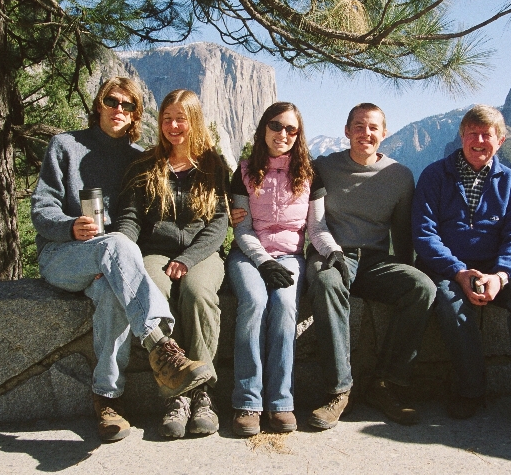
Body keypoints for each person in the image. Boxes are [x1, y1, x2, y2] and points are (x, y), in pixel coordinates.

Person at [31, 78, 212, 443]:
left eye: (128, 105)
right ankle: (162, 346)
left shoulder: (138, 159)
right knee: (113, 245)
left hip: (113, 262)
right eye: (112, 101)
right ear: (98, 104)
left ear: (135, 114)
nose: (119, 110)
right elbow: (40, 208)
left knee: (115, 292)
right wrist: (70, 226)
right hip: (64, 255)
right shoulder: (65, 146)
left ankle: (107, 400)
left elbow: (146, 218)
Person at [411, 104, 511, 434]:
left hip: (497, 269)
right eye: (472, 134)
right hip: (448, 269)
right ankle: (471, 391)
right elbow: (424, 232)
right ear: (461, 137)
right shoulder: (435, 176)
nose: (479, 141)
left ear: (501, 140)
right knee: (451, 303)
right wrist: (457, 270)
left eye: (487, 135)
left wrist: (502, 274)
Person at [305, 103, 436, 428]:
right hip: (331, 255)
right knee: (325, 282)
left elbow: (402, 234)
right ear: (347, 131)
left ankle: (386, 385)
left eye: (373, 127)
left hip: (375, 261)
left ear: (384, 133)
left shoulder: (399, 176)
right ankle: (339, 391)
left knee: (422, 287)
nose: (366, 133)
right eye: (359, 127)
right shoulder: (324, 166)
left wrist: (407, 273)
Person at [116, 89, 229, 439]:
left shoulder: (214, 165)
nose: (173, 126)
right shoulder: (144, 165)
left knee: (196, 292)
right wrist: (121, 245)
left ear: (194, 121)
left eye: (181, 118)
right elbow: (131, 217)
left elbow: (219, 223)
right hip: (154, 251)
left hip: (203, 254)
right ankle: (175, 396)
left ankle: (202, 394)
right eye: (167, 119)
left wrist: (188, 258)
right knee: (154, 291)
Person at [227, 102, 346, 436]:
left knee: (284, 306)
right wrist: (263, 262)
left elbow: (317, 228)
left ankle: (281, 403)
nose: (283, 134)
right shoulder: (245, 171)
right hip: (249, 256)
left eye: (291, 129)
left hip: (290, 257)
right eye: (276, 126)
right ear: (264, 128)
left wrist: (333, 253)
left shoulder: (309, 174)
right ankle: (247, 402)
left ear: (298, 134)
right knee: (254, 301)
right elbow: (242, 229)